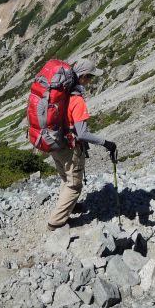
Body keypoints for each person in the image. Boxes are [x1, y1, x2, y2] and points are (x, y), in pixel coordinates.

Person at [47, 58, 116, 230]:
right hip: (70, 148)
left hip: (54, 142)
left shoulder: (61, 95)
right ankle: (56, 222)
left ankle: (69, 207)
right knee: (74, 185)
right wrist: (106, 143)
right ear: (83, 76)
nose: (91, 81)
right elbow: (82, 133)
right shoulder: (77, 100)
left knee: (66, 178)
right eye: (90, 77)